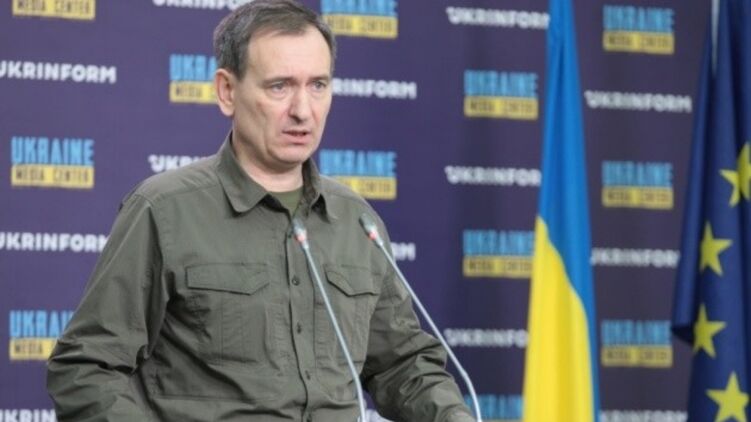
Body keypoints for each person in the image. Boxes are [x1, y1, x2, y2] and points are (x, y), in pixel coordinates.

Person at [46, 1, 476, 421]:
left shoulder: (356, 220)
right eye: (279, 86)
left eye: (318, 85)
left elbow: (401, 366)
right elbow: (86, 368)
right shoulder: (164, 210)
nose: (303, 111)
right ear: (227, 91)